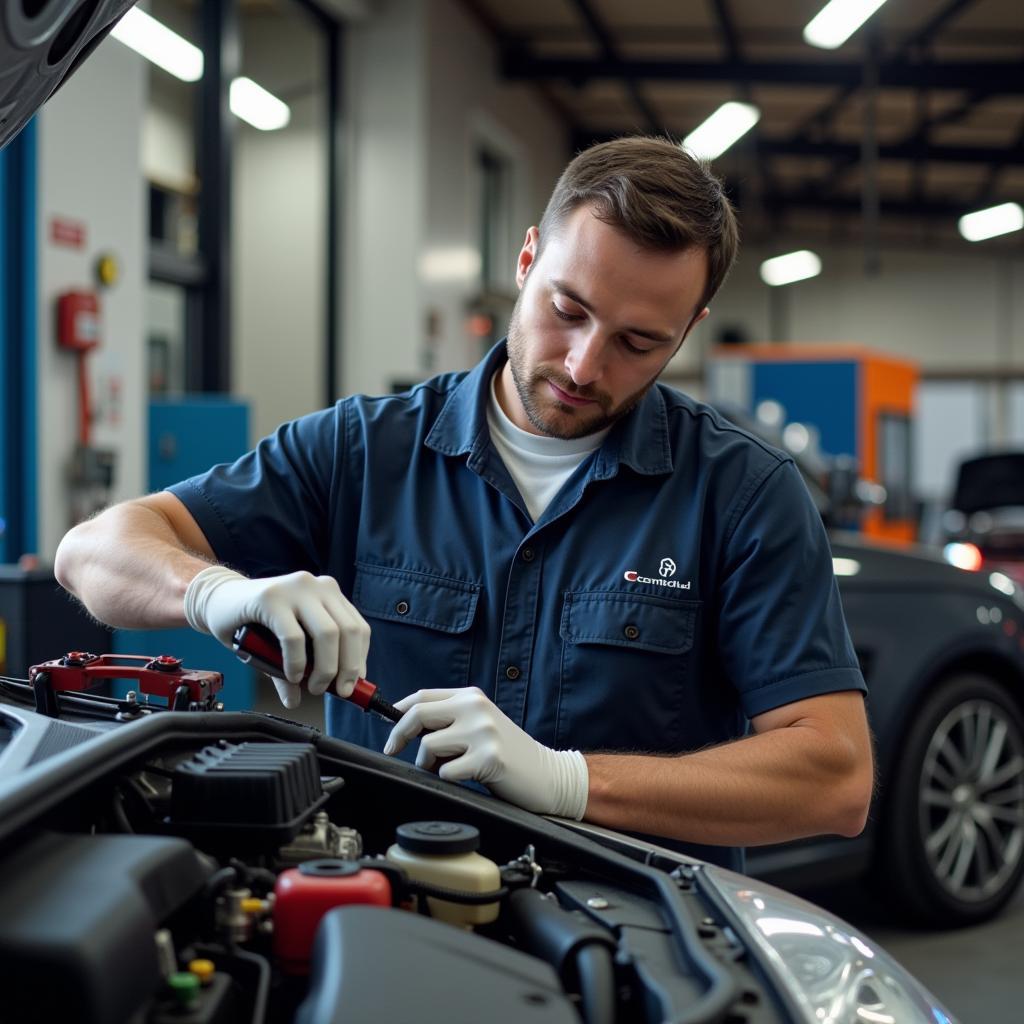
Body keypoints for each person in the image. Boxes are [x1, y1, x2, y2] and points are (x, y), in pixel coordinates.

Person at [55, 136, 873, 870]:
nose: (585, 365)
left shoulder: (743, 494)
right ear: (526, 261)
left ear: (689, 329)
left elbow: (835, 779)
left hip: (636, 948)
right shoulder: (363, 451)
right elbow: (91, 552)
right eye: (568, 310)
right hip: (381, 920)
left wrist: (568, 780)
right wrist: (219, 592)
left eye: (637, 342)